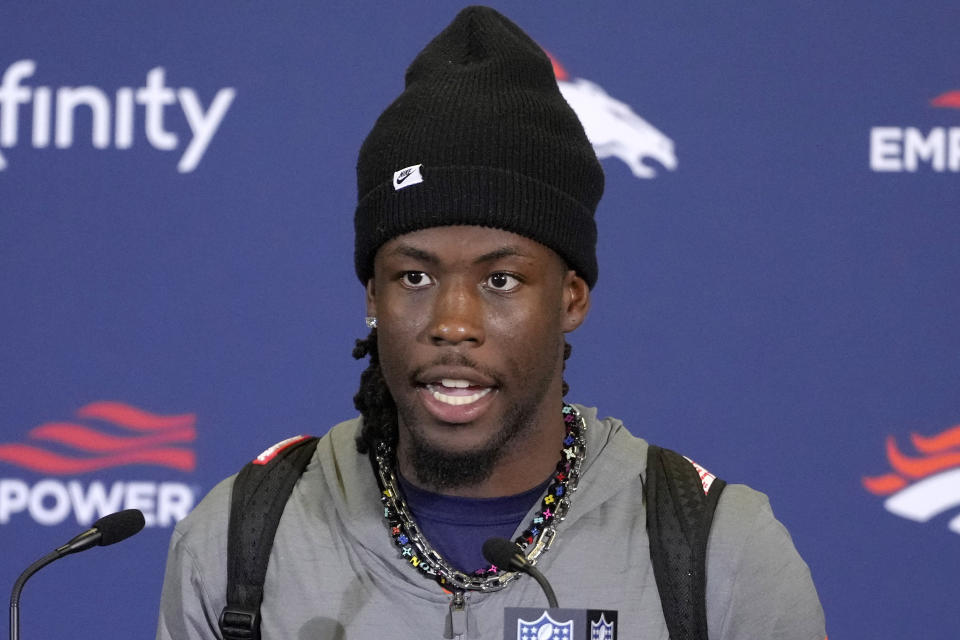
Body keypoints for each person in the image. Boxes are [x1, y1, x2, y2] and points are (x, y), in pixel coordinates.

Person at [156, 6, 825, 639]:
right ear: (370, 294)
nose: (453, 324)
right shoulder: (238, 543)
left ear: (571, 297)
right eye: (414, 277)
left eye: (500, 280)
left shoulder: (721, 553)